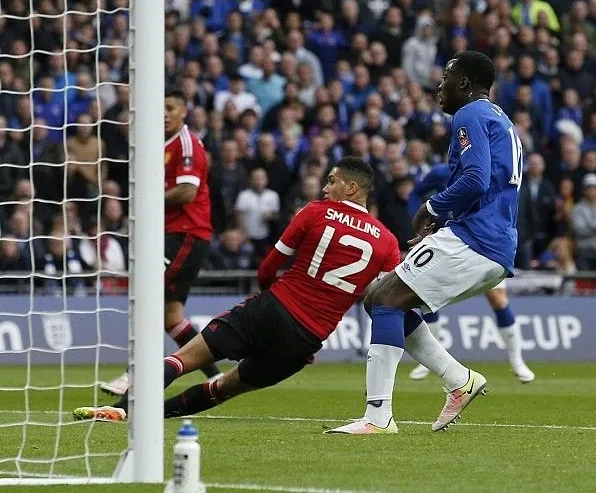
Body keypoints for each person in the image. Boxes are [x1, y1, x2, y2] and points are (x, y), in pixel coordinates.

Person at [73, 158, 400, 422]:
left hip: (272, 308)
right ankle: (158, 415)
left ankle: (123, 410)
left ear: (352, 187)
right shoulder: (387, 242)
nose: (325, 187)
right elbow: (383, 298)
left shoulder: (315, 212)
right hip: (305, 340)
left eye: (332, 180)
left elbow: (268, 267)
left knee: (182, 359)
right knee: (224, 388)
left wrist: (268, 300)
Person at [330, 51, 521, 434]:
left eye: (446, 77)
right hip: (490, 239)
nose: (439, 85)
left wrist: (431, 206)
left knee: (384, 299)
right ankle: (457, 379)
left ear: (464, 83)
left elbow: (478, 180)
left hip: (478, 238)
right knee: (379, 299)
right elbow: (486, 182)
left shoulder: (470, 114)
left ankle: (378, 417)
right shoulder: (498, 116)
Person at [100, 91, 221, 397]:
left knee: (145, 298)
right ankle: (217, 377)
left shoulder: (186, 143)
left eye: (171, 108)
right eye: (160, 107)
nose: (164, 113)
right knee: (170, 318)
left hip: (184, 235)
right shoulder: (157, 144)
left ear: (183, 113)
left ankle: (134, 376)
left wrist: (148, 200)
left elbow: (187, 193)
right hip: (178, 235)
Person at [406, 165, 535, 383]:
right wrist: (419, 222)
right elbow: (415, 194)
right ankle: (427, 361)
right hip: (451, 240)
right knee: (428, 293)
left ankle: (517, 360)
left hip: (486, 242)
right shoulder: (442, 172)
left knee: (497, 298)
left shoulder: (495, 170)